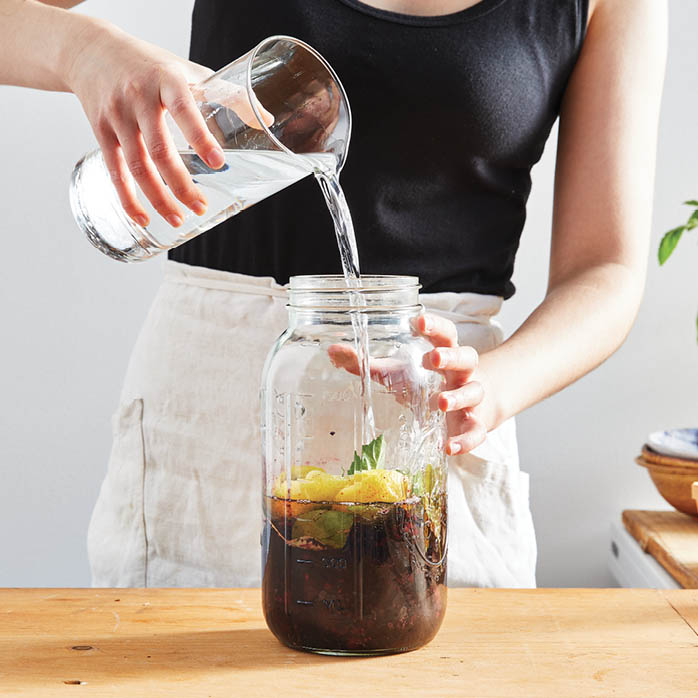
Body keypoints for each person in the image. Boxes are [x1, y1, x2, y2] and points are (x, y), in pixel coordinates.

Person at [1, 0, 667, 588]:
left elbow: (605, 269)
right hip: (210, 417)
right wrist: (81, 47)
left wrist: (491, 387)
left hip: (433, 412)